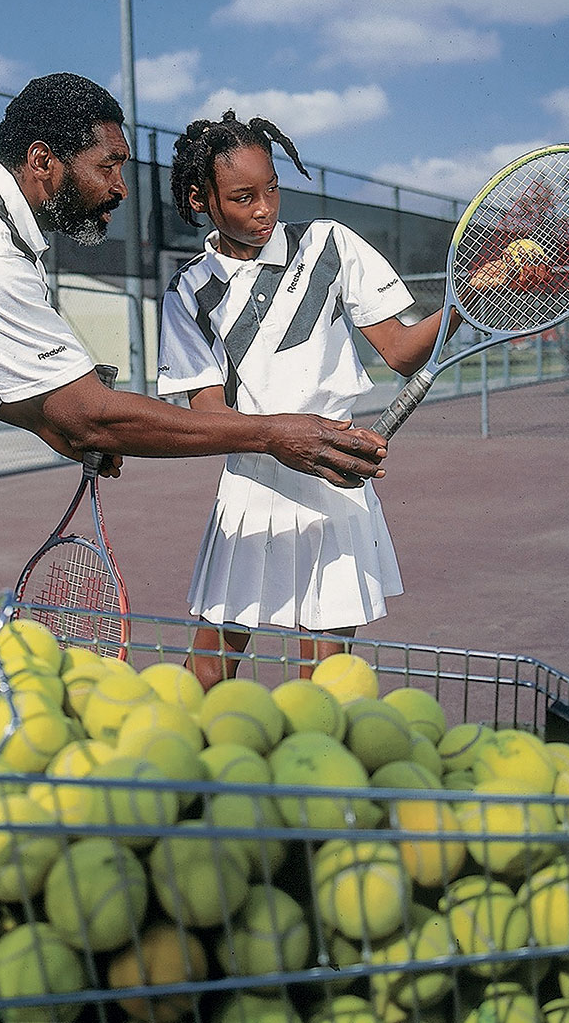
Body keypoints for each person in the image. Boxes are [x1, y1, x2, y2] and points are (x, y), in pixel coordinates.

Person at [0, 75, 388, 646]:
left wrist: (57, 425)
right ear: (43, 162)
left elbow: (19, 394)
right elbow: (87, 416)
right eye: (108, 167)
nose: (119, 188)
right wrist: (275, 433)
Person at [157, 110, 461, 690]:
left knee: (327, 688)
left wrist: (471, 293)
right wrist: (286, 437)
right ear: (202, 199)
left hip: (333, 481)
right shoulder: (188, 292)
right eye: (244, 197)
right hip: (251, 483)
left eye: (272, 188)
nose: (265, 208)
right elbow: (210, 416)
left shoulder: (329, 244)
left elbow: (399, 350)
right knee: (205, 675)